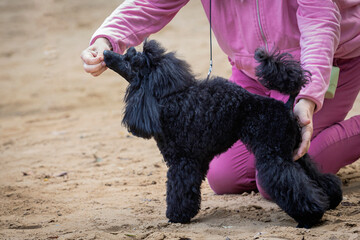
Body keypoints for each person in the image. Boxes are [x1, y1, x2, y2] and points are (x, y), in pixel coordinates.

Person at [81, 0, 360, 198]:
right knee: (226, 177)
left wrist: (307, 98)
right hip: (252, 72)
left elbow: (319, 21)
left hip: (325, 62)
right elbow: (150, 3)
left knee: (278, 174)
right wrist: (107, 40)